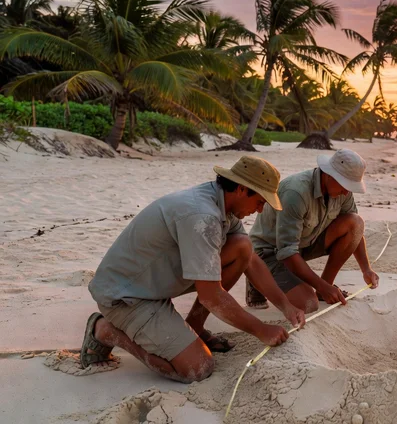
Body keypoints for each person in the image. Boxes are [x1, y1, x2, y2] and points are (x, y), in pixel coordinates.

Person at [80, 156, 306, 383]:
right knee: (197, 368)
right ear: (240, 189)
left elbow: (251, 261)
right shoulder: (203, 216)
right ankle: (105, 330)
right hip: (126, 296)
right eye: (260, 201)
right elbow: (211, 296)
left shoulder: (224, 204)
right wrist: (260, 329)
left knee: (242, 248)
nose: (260, 210)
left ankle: (195, 327)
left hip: (155, 280)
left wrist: (285, 306)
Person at [246, 148, 379, 313]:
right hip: (269, 251)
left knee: (355, 221)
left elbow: (355, 231)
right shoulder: (295, 193)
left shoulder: (342, 192)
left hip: (302, 243)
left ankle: (325, 286)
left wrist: (366, 269)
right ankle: (256, 275)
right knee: (308, 303)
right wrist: (321, 286)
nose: (347, 191)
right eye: (345, 185)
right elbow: (287, 252)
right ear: (329, 175)